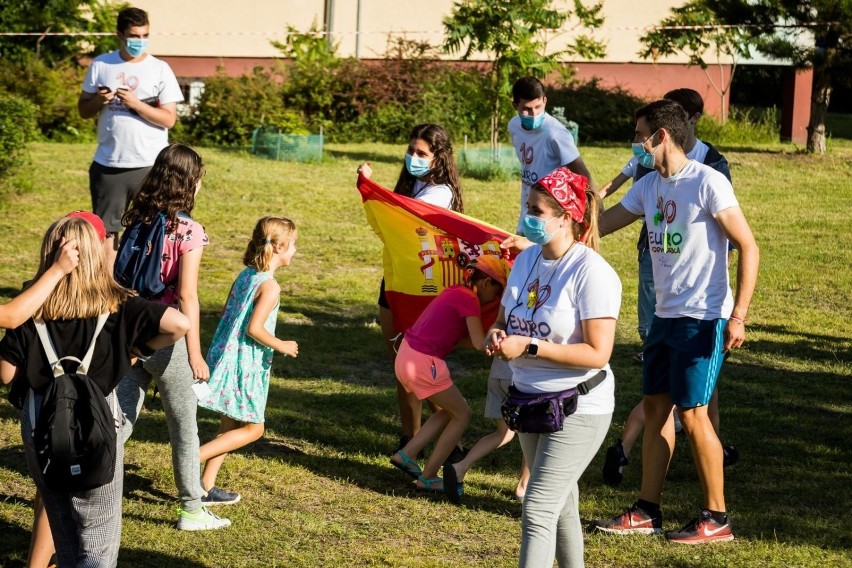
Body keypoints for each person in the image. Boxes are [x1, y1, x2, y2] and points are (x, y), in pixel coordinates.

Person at [592, 99, 759, 544]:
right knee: (654, 409)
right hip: (665, 317)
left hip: (703, 318)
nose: (636, 144)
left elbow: (749, 246)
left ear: (661, 136)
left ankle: (716, 519)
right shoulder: (648, 187)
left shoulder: (708, 183)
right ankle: (648, 510)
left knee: (693, 413)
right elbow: (601, 228)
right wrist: (571, 210)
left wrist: (738, 316)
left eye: (639, 134)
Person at [0, 215, 190, 567]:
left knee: (64, 530)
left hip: (41, 417)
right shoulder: (119, 306)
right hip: (97, 417)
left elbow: (7, 374)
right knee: (99, 540)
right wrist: (136, 352)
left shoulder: (30, 306)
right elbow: (180, 324)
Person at [487, 167, 620, 566]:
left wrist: (528, 347)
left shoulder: (593, 273)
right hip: (528, 399)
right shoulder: (527, 259)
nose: (528, 217)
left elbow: (598, 353)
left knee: (539, 505)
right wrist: (496, 332)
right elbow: (504, 316)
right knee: (560, 504)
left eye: (537, 211)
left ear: (566, 217)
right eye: (528, 207)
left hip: (579, 404)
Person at [115, 143, 230, 531]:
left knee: (120, 420)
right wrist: (195, 354)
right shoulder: (189, 231)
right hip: (168, 336)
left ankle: (95, 487)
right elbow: (188, 296)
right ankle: (192, 510)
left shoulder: (135, 221)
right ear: (189, 182)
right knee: (184, 425)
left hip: (129, 330)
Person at [357, 124, 465, 453]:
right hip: (395, 280)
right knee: (401, 369)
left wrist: (370, 189)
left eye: (421, 154)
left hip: (424, 291)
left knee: (419, 370)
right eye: (411, 151)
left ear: (439, 158)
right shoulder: (413, 182)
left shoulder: (440, 193)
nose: (413, 158)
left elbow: (402, 218)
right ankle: (411, 438)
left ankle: (451, 441)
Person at [198, 216, 300, 505]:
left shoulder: (246, 275)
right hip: (247, 366)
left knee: (228, 426)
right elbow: (255, 328)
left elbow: (228, 315)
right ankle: (190, 461)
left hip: (227, 356)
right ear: (279, 247)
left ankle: (205, 486)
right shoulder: (270, 286)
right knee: (254, 429)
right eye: (293, 245)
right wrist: (282, 345)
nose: (295, 251)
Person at [389, 255, 508, 503]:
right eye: (496, 293)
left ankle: (407, 454)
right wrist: (501, 340)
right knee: (463, 414)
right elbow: (477, 342)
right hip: (423, 362)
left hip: (406, 355)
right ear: (486, 282)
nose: (495, 300)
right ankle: (429, 475)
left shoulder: (454, 291)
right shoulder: (469, 299)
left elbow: (458, 339)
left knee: (447, 411)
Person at [78, 6, 183, 268]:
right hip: (109, 164)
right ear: (119, 35)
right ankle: (106, 294)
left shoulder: (159, 68)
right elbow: (83, 110)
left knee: (152, 231)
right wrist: (100, 101)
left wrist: (135, 103)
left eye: (145, 35)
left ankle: (141, 289)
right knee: (107, 234)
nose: (140, 41)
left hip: (150, 165)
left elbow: (169, 118)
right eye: (134, 36)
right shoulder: (101, 64)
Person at [509, 76, 594, 234]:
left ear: (545, 101)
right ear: (515, 106)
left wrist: (595, 210)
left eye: (538, 107)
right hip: (529, 203)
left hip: (554, 211)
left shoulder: (555, 133)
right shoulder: (514, 126)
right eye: (527, 109)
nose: (534, 114)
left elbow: (582, 172)